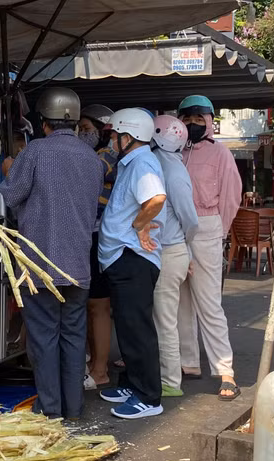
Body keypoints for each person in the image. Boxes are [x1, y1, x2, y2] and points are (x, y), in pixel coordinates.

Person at [0, 87, 103, 420]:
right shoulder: (92, 158)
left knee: (43, 339)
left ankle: (51, 411)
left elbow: (12, 196)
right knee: (73, 339)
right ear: (74, 123)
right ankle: (73, 408)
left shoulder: (35, 152)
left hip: (40, 266)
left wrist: (7, 172)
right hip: (78, 265)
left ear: (44, 122)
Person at [97, 108, 168, 419]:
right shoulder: (132, 163)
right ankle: (132, 384)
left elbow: (156, 199)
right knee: (126, 327)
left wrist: (139, 225)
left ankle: (149, 397)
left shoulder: (143, 164)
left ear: (128, 137)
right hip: (123, 257)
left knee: (137, 328)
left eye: (114, 136)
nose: (112, 141)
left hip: (133, 257)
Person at [176, 95, 242, 401]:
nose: (192, 124)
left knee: (209, 302)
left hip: (207, 226)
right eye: (187, 119)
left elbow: (231, 198)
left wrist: (218, 232)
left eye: (199, 119)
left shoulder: (221, 154)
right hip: (176, 229)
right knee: (181, 300)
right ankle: (187, 362)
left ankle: (224, 370)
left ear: (210, 121)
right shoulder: (172, 150)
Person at [149, 115, 198, 398]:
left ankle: (169, 381)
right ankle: (165, 374)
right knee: (166, 317)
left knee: (165, 320)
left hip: (168, 252)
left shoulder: (171, 170)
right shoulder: (166, 164)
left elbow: (189, 219)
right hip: (170, 251)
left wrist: (185, 247)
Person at [78, 104, 117, 390]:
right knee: (91, 305)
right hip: (91, 235)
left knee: (98, 306)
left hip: (100, 236)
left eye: (86, 129)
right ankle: (94, 364)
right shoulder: (96, 155)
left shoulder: (106, 156)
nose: (82, 134)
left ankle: (100, 369)